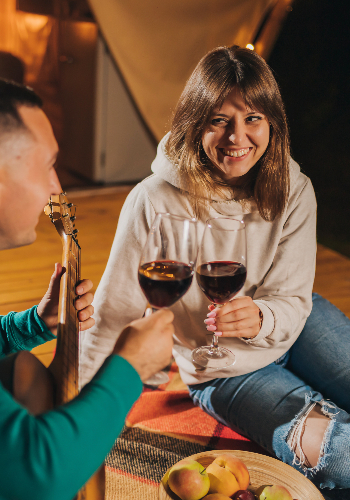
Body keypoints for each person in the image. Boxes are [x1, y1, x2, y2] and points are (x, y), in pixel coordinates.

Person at [0, 73, 176, 500]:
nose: (57, 187)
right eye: (48, 167)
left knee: (22, 367)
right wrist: (130, 365)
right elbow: (35, 474)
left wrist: (36, 322)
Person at [79, 45, 350, 494]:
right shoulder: (153, 201)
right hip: (222, 370)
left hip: (298, 324)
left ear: (273, 125)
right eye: (219, 120)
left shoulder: (295, 189)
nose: (236, 137)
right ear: (194, 122)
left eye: (253, 119)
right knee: (341, 458)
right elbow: (113, 314)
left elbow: (293, 296)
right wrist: (75, 414)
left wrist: (262, 316)